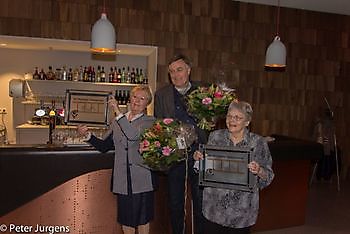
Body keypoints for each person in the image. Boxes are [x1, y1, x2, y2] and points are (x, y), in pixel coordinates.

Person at [77, 85, 155, 234]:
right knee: (126, 219)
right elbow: (104, 146)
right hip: (122, 180)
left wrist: (118, 113)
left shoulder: (150, 122)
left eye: (142, 98)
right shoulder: (117, 121)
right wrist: (87, 135)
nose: (137, 101)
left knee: (142, 219)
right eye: (134, 97)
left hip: (142, 178)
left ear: (147, 103)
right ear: (129, 98)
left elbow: (133, 136)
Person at [193, 101, 274, 234]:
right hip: (214, 209)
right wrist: (199, 160)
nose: (232, 120)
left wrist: (259, 170)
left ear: (247, 122)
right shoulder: (215, 136)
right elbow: (205, 170)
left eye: (238, 117)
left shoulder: (258, 143)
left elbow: (269, 176)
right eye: (230, 116)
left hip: (242, 213)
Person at [154, 54, 207, 234]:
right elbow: (158, 126)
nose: (176, 75)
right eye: (171, 72)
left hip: (199, 154)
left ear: (189, 70)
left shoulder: (204, 92)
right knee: (175, 203)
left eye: (179, 69)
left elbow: (211, 123)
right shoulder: (161, 95)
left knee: (201, 202)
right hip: (175, 156)